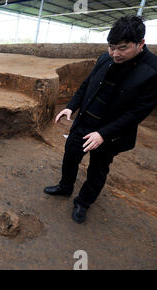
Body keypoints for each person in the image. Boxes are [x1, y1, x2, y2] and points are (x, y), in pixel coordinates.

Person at [44, 15, 157, 223]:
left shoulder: (152, 71)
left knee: (98, 170)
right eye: (111, 47)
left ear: (141, 43)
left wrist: (103, 134)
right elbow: (87, 84)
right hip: (84, 123)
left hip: (111, 134)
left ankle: (83, 203)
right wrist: (71, 107)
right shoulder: (106, 58)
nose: (115, 54)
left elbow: (136, 113)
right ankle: (65, 187)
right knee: (70, 156)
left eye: (122, 48)